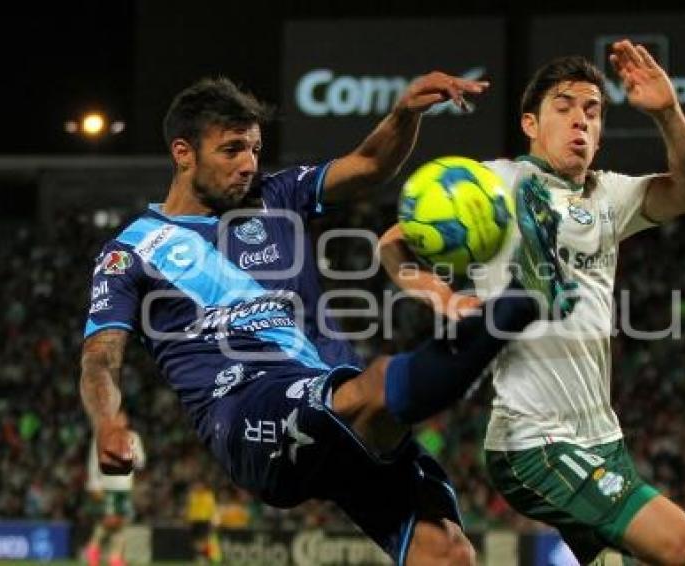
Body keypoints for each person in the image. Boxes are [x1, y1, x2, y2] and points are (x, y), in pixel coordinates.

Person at [79, 73, 560, 565]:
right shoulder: (131, 251)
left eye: (254, 149)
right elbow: (100, 358)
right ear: (184, 153)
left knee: (447, 553)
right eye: (231, 150)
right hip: (246, 409)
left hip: (335, 402)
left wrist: (405, 113)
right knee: (371, 390)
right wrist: (107, 421)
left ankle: (511, 311)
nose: (248, 165)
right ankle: (518, 304)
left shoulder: (276, 195)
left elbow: (370, 164)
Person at [378, 40, 685, 565]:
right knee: (679, 542)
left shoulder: (612, 196)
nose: (580, 120)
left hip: (603, 438)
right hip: (533, 441)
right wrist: (440, 294)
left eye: (593, 111)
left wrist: (668, 112)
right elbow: (393, 242)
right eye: (564, 107)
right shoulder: (493, 183)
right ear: (531, 124)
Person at [83, 411, 145, 566]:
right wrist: (94, 484)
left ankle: (115, 558)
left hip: (125, 487)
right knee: (107, 521)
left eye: (123, 417)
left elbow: (141, 463)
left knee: (122, 523)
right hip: (108, 485)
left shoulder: (133, 437)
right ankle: (92, 549)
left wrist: (134, 455)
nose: (120, 420)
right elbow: (93, 462)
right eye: (116, 417)